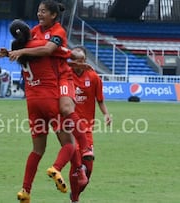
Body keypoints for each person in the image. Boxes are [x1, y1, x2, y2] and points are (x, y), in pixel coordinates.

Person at [0, 19, 87, 203]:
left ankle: (25, 190)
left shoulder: (17, 48)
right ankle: (57, 168)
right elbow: (58, 52)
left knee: (37, 150)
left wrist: (8, 53)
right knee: (69, 143)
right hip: (49, 100)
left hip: (32, 103)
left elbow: (37, 56)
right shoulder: (38, 45)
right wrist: (74, 57)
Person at [7, 0, 94, 161]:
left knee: (66, 109)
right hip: (50, 80)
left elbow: (48, 50)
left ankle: (86, 148)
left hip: (63, 76)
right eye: (39, 11)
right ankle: (73, 168)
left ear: (53, 15)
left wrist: (19, 51)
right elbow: (38, 52)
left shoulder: (58, 31)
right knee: (62, 129)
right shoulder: (34, 31)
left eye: (43, 11)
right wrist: (10, 52)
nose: (39, 14)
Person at [69, 46, 112, 203]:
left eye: (81, 60)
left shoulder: (93, 78)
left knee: (89, 168)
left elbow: (100, 100)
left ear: (85, 61)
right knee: (77, 165)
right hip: (70, 127)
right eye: (75, 60)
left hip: (87, 129)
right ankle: (74, 198)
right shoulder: (66, 75)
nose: (78, 63)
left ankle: (76, 193)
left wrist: (106, 114)